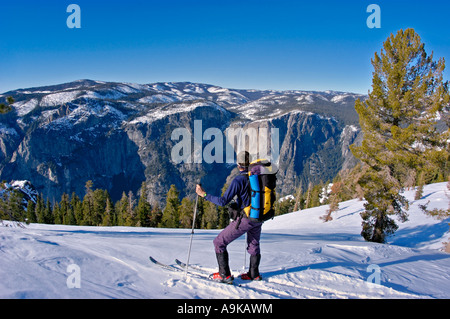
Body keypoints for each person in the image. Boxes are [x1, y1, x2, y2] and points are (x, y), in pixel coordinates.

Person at [195, 151, 263, 283]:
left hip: (246, 219)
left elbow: (222, 201)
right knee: (254, 244)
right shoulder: (258, 177)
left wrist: (203, 194)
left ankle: (224, 274)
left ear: (238, 165)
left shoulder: (239, 180)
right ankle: (254, 274)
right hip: (259, 217)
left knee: (219, 242)